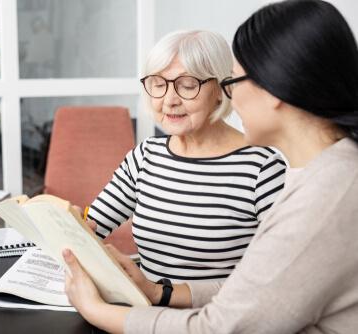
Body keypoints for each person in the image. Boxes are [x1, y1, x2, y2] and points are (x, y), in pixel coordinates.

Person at [62, 0, 358, 332]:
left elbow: (220, 326)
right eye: (158, 83)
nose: (170, 99)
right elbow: (254, 293)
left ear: (273, 86)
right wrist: (158, 291)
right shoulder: (328, 175)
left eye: (233, 81)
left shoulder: (324, 193)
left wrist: (93, 308)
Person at [86, 30, 286, 284]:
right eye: (158, 84)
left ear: (221, 88)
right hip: (147, 314)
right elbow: (91, 226)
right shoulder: (145, 157)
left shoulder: (262, 168)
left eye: (188, 86)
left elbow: (279, 277)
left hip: (216, 318)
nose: (169, 100)